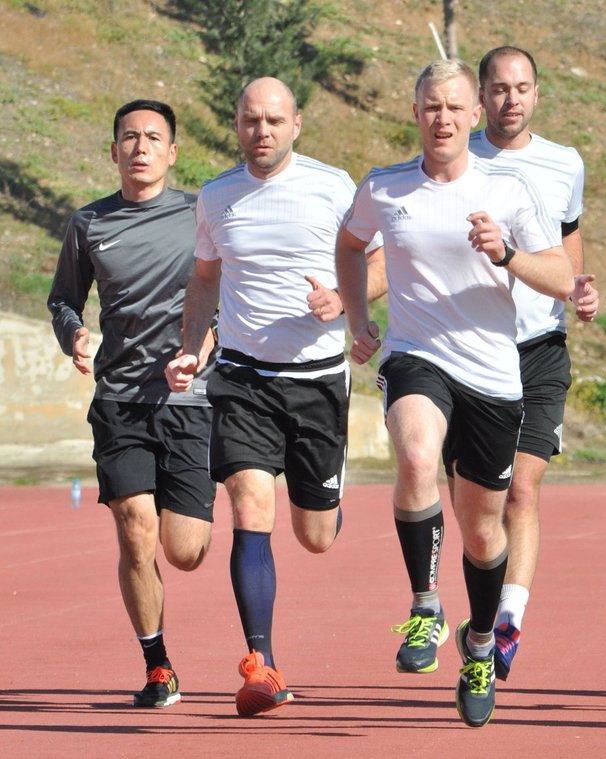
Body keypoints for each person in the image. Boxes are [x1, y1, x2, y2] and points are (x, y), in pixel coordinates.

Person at [336, 59, 573, 728]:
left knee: (483, 528)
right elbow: (350, 246)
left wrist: (507, 257)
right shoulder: (385, 187)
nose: (442, 117)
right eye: (430, 106)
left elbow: (559, 276)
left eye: (454, 107)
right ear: (416, 114)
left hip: (495, 377)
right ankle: (423, 607)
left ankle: (477, 644)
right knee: (414, 454)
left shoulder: (509, 189)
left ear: (475, 116)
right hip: (417, 356)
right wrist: (359, 319)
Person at [165, 77, 357, 717]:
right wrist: (194, 344)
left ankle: (330, 498)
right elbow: (203, 279)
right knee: (250, 505)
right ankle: (260, 665)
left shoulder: (334, 187)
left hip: (320, 378)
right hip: (242, 378)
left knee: (317, 536)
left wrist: (344, 301)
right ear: (237, 124)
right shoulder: (217, 197)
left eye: (275, 120)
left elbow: (376, 263)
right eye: (251, 120)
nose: (263, 131)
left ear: (296, 124)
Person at [47, 99, 214, 709]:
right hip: (119, 400)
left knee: (184, 550)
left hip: (188, 397)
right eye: (129, 137)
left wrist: (205, 342)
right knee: (135, 532)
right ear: (113, 150)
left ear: (172, 151)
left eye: (153, 137)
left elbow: (226, 291)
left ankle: (193, 522)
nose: (140, 147)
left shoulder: (201, 214)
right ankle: (157, 665)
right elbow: (63, 299)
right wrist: (75, 335)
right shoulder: (88, 223)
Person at [468, 45, 598, 678]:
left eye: (522, 87)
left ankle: (509, 617)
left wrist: (579, 287)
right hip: (466, 350)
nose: (511, 98)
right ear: (481, 97)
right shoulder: (455, 159)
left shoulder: (563, 162)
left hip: (538, 346)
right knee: (478, 501)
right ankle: (479, 605)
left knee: (522, 488)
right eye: (499, 88)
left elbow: (566, 242)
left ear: (537, 94)